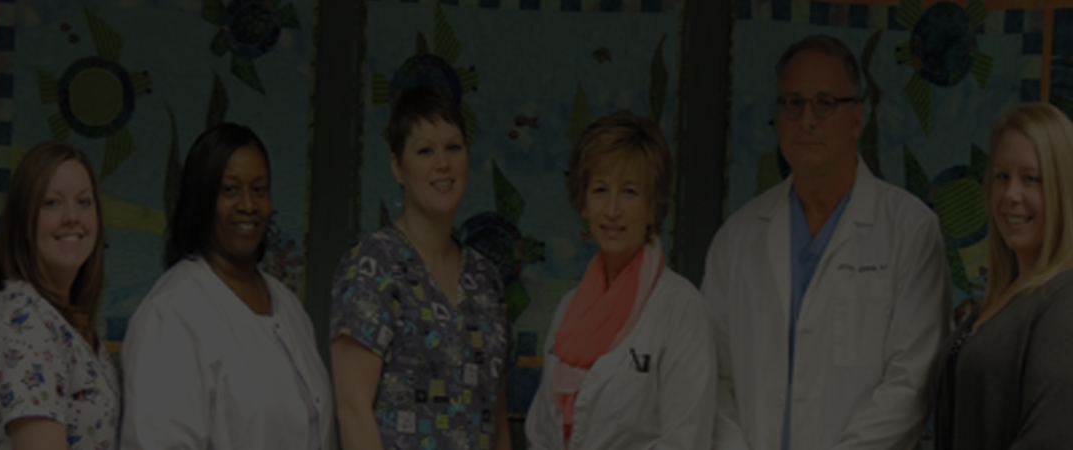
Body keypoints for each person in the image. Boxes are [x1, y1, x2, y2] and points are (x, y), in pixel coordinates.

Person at [701, 34, 950, 450]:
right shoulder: (736, 239)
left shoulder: (910, 231)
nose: (807, 120)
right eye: (793, 103)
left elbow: (910, 384)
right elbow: (711, 378)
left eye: (825, 103)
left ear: (856, 118)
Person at [119, 123, 335, 449]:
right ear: (202, 200)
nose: (248, 205)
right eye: (230, 190)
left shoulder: (288, 307)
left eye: (259, 189)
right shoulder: (174, 312)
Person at [330, 85, 511, 450]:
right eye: (425, 151)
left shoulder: (486, 279)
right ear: (398, 167)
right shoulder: (373, 265)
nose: (442, 164)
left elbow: (498, 419)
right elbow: (352, 410)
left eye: (453, 148)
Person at [524, 111, 716, 449]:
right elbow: (540, 433)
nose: (612, 210)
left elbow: (686, 440)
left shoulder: (681, 308)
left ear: (653, 207)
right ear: (583, 204)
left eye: (629, 192)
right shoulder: (568, 309)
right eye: (600, 190)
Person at [932, 102, 1073, 449]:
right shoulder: (1001, 298)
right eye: (1002, 177)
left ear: (1062, 188)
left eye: (1031, 179)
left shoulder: (1064, 298)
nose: (1011, 195)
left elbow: (1050, 439)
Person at [0, 142, 117, 450]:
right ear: (23, 221)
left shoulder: (70, 320)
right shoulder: (25, 320)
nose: (72, 216)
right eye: (51, 203)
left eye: (84, 202)